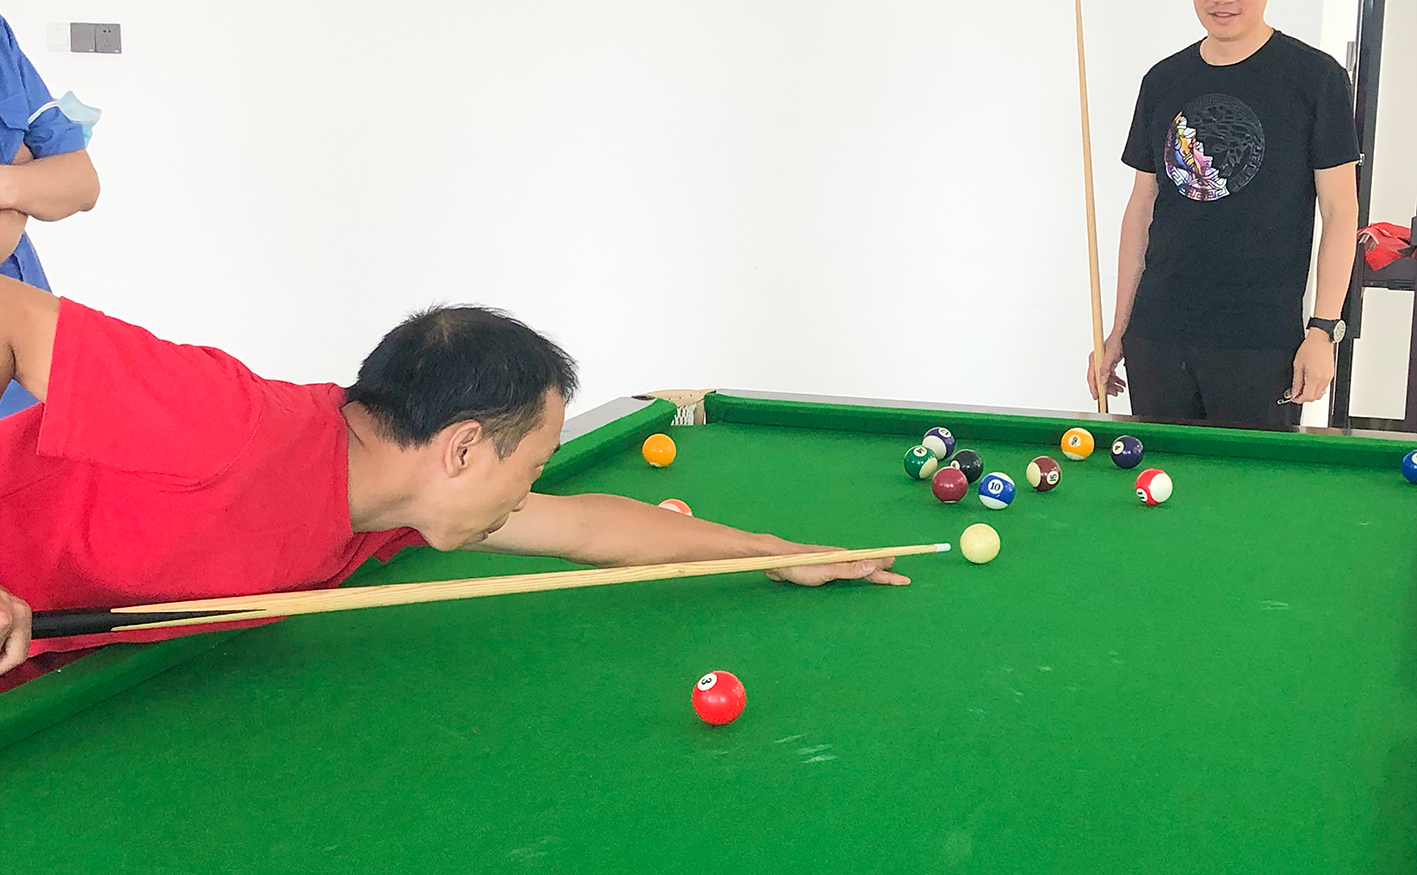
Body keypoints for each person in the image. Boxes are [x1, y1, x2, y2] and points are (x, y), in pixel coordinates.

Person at [0, 276, 908, 677]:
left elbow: (590, 527)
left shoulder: (392, 501)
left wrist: (771, 551)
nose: (526, 493)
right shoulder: (230, 423)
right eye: (531, 465)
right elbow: (13, 314)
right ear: (463, 448)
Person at [1087, 0, 1360, 429]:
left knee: (1251, 481)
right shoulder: (1164, 80)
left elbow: (1339, 212)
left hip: (1261, 341)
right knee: (1157, 477)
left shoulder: (1316, 78)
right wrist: (1119, 329)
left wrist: (1323, 329)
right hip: (1158, 335)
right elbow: (1141, 209)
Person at [0, 0, 103, 418]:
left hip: (32, 372)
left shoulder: (0, 41)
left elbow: (82, 183)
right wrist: (25, 178)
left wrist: (8, 184)